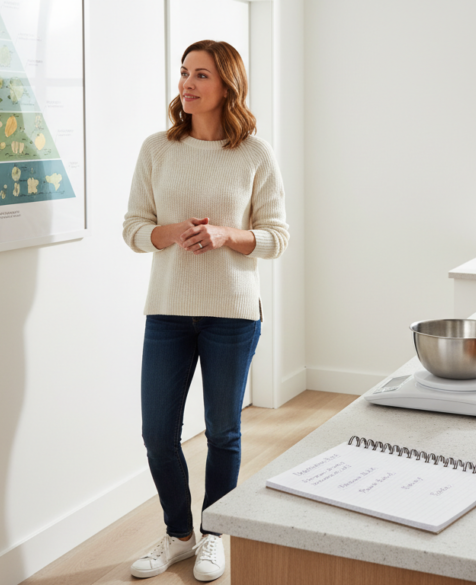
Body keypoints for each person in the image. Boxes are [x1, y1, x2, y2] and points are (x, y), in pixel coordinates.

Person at [121, 40, 289, 582]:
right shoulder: (157, 149)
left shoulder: (255, 154)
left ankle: (215, 534)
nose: (187, 85)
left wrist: (225, 235)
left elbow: (276, 238)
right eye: (184, 73)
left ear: (227, 87)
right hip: (168, 310)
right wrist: (169, 232)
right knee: (157, 433)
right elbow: (132, 229)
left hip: (233, 313)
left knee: (223, 432)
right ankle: (178, 535)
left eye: (201, 76)